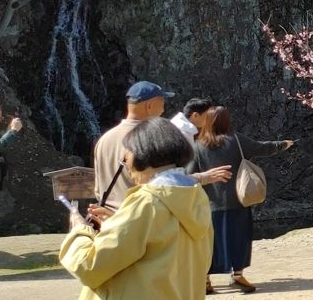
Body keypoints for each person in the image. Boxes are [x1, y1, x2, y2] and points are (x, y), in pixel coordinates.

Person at [59, 117, 212, 300]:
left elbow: (89, 266)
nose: (126, 164)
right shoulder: (195, 199)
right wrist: (116, 222)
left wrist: (79, 230)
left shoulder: (146, 203)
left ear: (145, 154)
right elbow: (163, 247)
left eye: (127, 154)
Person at [188, 104, 295, 294]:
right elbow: (262, 148)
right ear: (226, 120)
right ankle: (237, 275)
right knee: (239, 238)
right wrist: (283, 144)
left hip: (209, 204)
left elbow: (189, 174)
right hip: (237, 200)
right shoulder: (236, 140)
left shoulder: (198, 146)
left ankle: (205, 279)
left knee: (210, 242)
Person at [93, 82, 230, 209]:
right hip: (141, 221)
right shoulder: (152, 138)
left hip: (108, 222)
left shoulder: (104, 140)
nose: (164, 108)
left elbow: (99, 190)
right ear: (149, 106)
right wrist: (202, 178)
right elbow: (163, 185)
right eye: (162, 102)